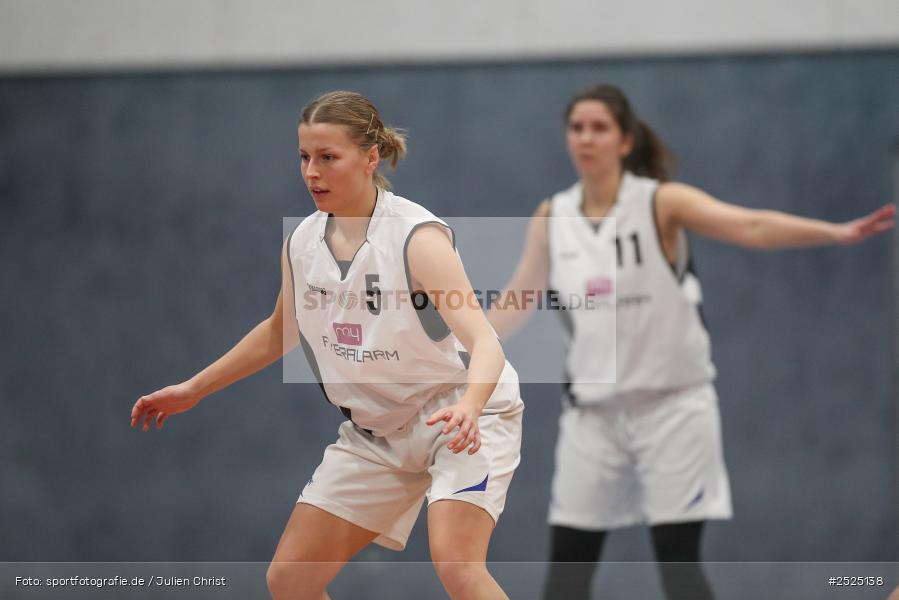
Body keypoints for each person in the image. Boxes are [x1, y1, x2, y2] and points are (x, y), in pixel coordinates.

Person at [486, 83, 894, 600]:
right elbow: (518, 299)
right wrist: (463, 347)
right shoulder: (553, 215)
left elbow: (751, 226)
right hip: (593, 415)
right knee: (566, 576)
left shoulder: (660, 202)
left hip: (673, 408)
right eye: (576, 127)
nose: (586, 138)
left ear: (626, 140)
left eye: (599, 128)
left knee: (679, 567)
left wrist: (835, 233)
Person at [131, 90, 524, 600]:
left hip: (460, 416)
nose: (311, 172)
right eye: (304, 158)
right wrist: (194, 388)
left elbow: (485, 342)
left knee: (457, 565)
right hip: (377, 431)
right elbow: (279, 331)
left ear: (370, 158)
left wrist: (471, 407)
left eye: (327, 158)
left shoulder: (416, 238)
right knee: (290, 580)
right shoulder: (301, 244)